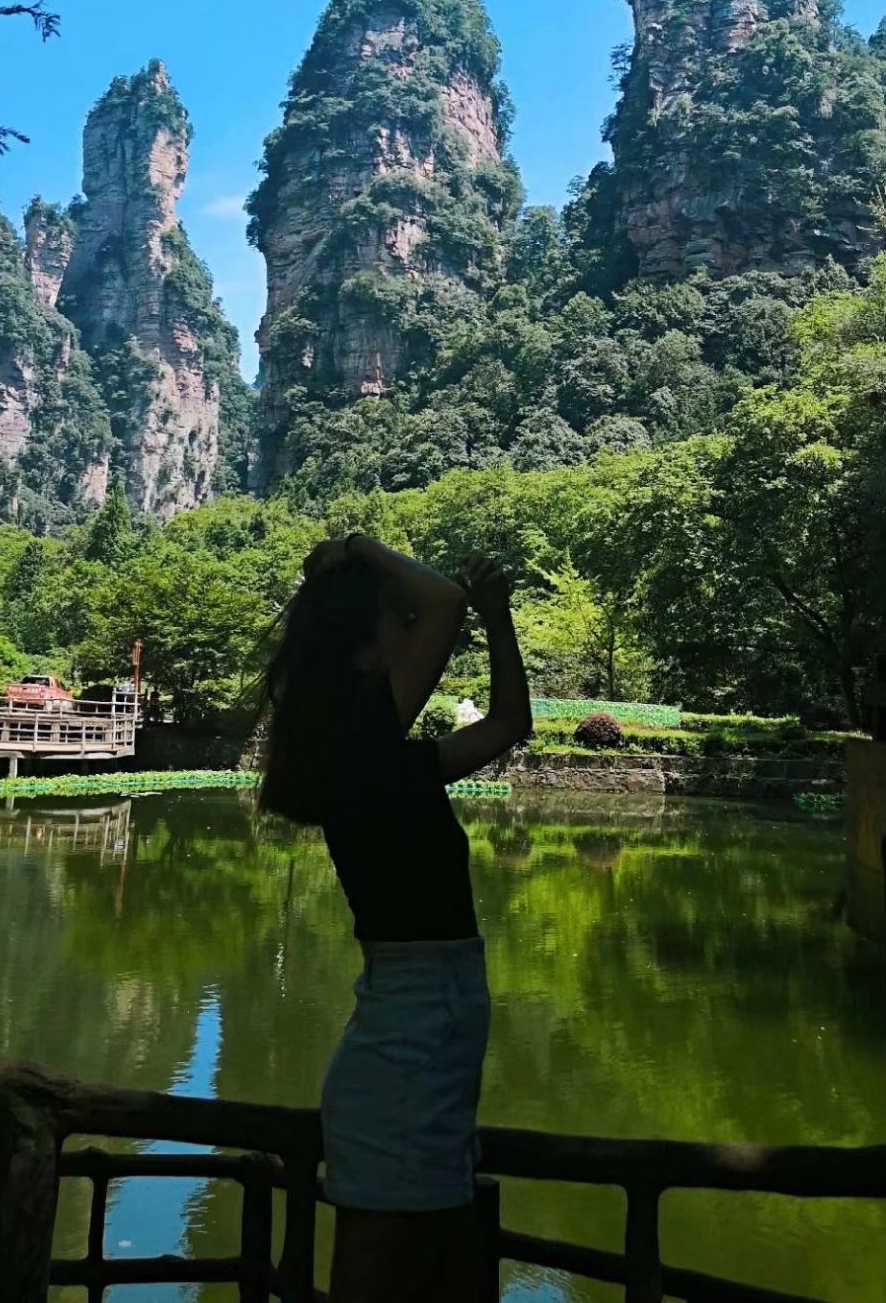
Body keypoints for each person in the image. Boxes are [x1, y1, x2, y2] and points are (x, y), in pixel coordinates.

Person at [257, 531, 531, 1303]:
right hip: (408, 1039)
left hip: (418, 1032)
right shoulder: (359, 756)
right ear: (365, 658)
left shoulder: (385, 765)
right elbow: (444, 599)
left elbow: (510, 724)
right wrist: (358, 546)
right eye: (396, 622)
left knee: (418, 1265)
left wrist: (501, 618)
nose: (419, 630)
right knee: (379, 1276)